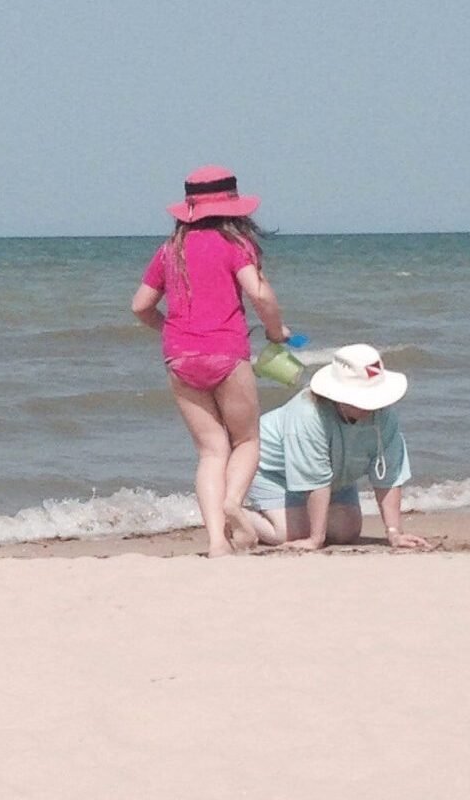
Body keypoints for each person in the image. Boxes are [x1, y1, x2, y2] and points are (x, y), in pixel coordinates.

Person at [131, 165, 289, 557]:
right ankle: (234, 502)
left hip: (180, 356)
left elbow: (140, 307)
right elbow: (262, 296)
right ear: (234, 208)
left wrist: (171, 329)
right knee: (247, 440)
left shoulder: (170, 250)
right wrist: (275, 333)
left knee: (211, 451)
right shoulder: (235, 245)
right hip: (227, 353)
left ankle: (217, 541)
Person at [244, 343, 429, 550]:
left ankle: (301, 517)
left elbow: (390, 473)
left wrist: (394, 532)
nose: (372, 404)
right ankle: (237, 516)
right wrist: (315, 539)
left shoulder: (384, 416)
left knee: (345, 531)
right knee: (289, 533)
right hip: (272, 472)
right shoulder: (308, 414)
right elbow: (314, 478)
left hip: (334, 476)